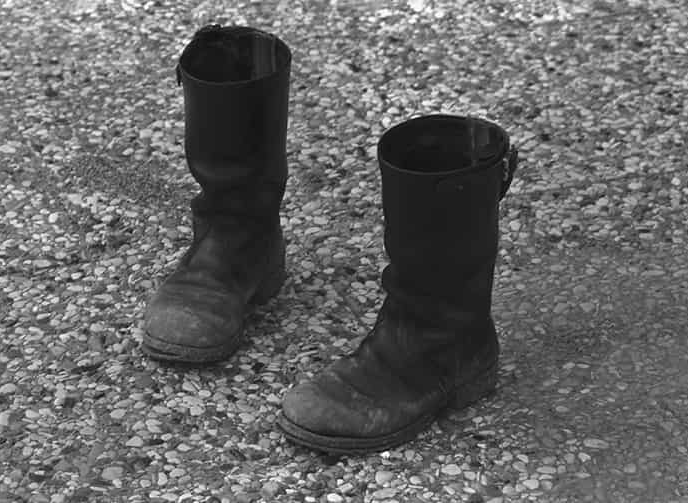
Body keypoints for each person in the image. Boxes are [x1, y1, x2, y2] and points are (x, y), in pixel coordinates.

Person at [142, 25, 517, 454]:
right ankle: (239, 241)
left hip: (444, 342)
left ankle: (443, 342)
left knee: (435, 164)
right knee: (226, 57)